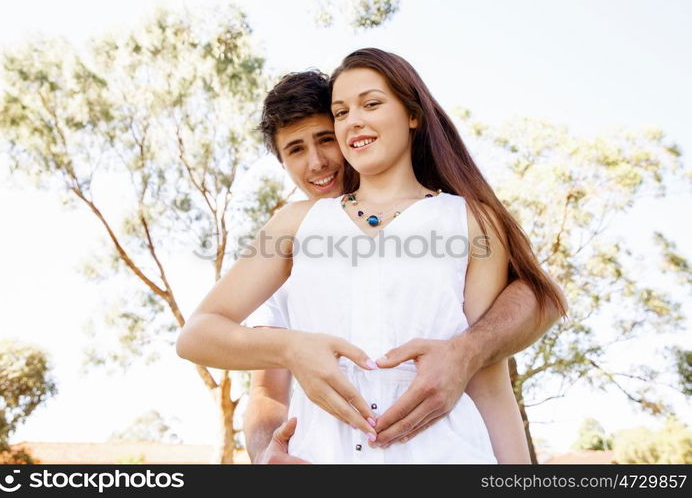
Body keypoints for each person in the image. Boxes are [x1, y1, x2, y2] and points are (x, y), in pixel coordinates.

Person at [177, 50, 567, 463]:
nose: (351, 123)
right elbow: (211, 346)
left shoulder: (470, 220)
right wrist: (289, 353)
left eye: (371, 104)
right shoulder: (294, 225)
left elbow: (490, 381)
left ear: (412, 114)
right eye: (341, 112)